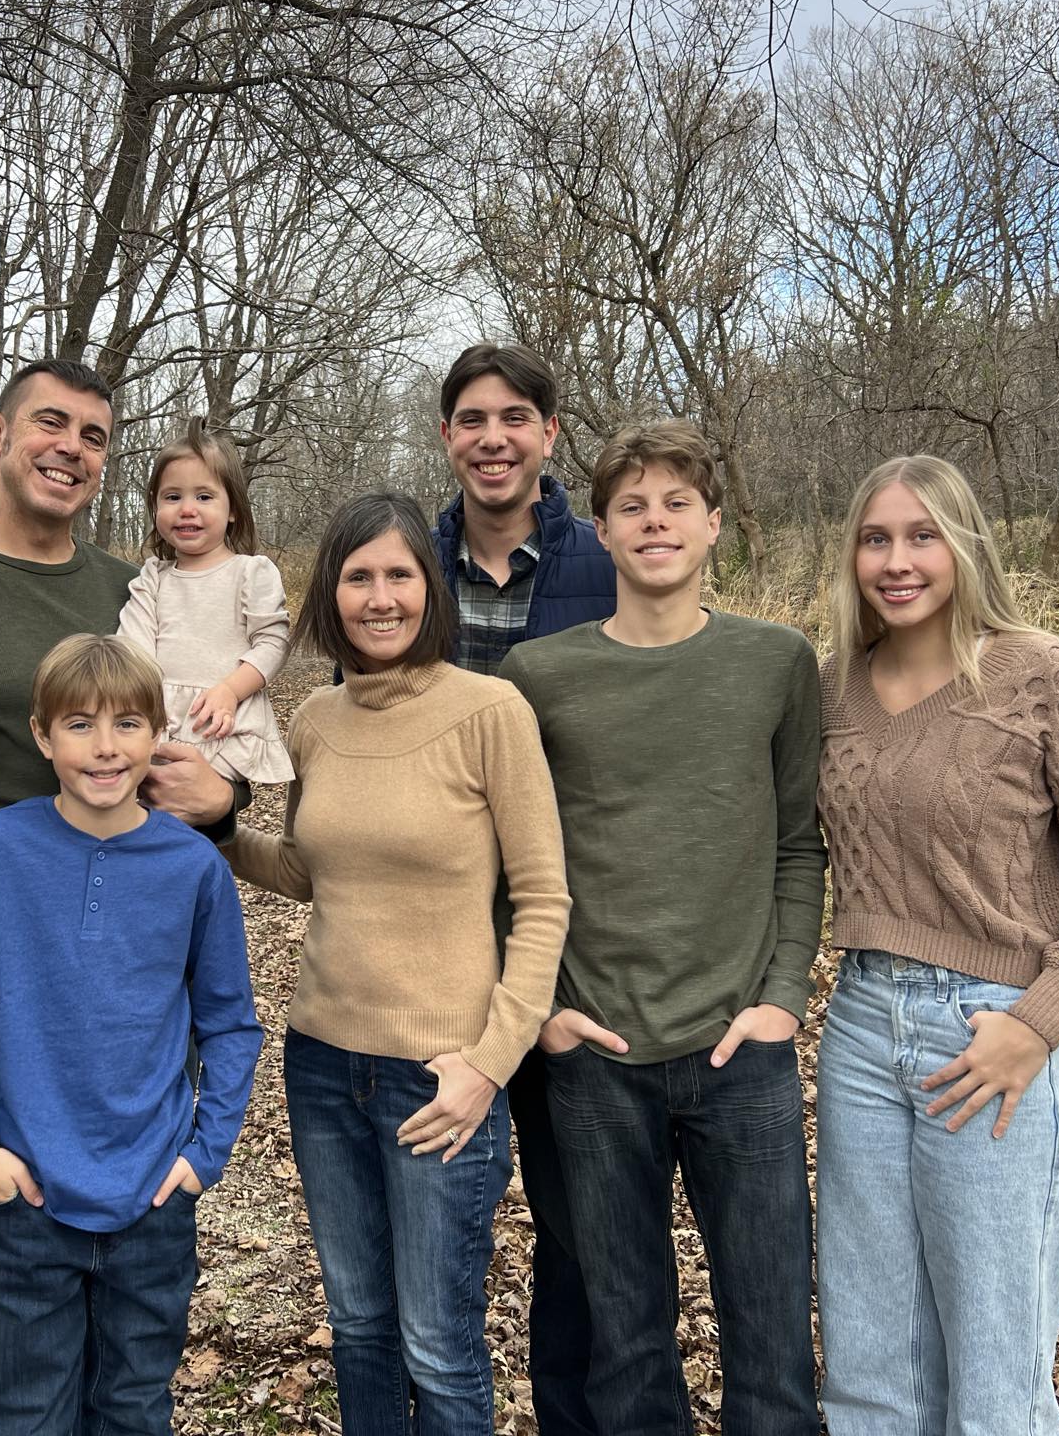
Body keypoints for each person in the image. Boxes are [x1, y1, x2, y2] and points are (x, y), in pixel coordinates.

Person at [0, 361, 239, 1436]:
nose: (70, 448)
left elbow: (196, 723)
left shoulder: (132, 592)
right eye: (50, 423)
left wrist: (227, 802)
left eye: (93, 435)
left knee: (109, 1331)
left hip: (121, 975)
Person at [815, 455, 1059, 1436]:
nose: (896, 561)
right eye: (875, 539)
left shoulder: (1041, 676)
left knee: (992, 1376)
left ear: (964, 545)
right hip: (858, 1030)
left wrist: (1037, 1025)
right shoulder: (831, 689)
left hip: (991, 1035)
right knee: (869, 1362)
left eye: (921, 536)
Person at [501, 421, 825, 1436]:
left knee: (773, 1342)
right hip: (596, 1057)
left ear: (714, 524)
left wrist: (781, 1000)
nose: (655, 522)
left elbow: (798, 844)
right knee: (627, 1347)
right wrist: (546, 1012)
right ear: (598, 531)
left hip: (742, 1053)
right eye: (631, 506)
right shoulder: (536, 677)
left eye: (676, 503)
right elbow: (503, 862)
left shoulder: (775, 661)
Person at [226, 490, 571, 1436]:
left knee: (439, 1344)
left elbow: (544, 900)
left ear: (431, 587)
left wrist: (489, 1063)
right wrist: (215, 833)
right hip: (322, 1061)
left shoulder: (490, 711)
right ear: (330, 595)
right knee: (359, 1327)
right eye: (358, 577)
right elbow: (305, 871)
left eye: (399, 575)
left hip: (441, 1071)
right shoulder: (315, 720)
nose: (380, 598)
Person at [0, 633, 262, 1435]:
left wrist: (203, 1155)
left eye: (127, 723)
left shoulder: (194, 866)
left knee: (133, 1408)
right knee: (24, 1411)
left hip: (151, 1196)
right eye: (80, 725)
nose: (106, 747)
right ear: (42, 736)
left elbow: (229, 1024)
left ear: (158, 734)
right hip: (25, 1195)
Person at [429, 342, 616, 1436]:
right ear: (446, 436)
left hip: (566, 933)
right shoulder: (405, 565)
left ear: (548, 432)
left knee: (579, 1228)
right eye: (471, 419)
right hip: (436, 939)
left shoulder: (607, 561)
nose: (491, 438)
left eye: (513, 418)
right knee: (426, 1218)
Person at [117, 417, 294, 785]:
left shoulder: (251, 572)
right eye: (172, 497)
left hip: (225, 722)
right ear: (155, 507)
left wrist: (231, 689)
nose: (187, 509)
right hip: (158, 719)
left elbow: (273, 642)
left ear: (232, 509)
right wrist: (143, 708)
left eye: (204, 496)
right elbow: (133, 648)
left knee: (199, 799)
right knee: (150, 799)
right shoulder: (153, 578)